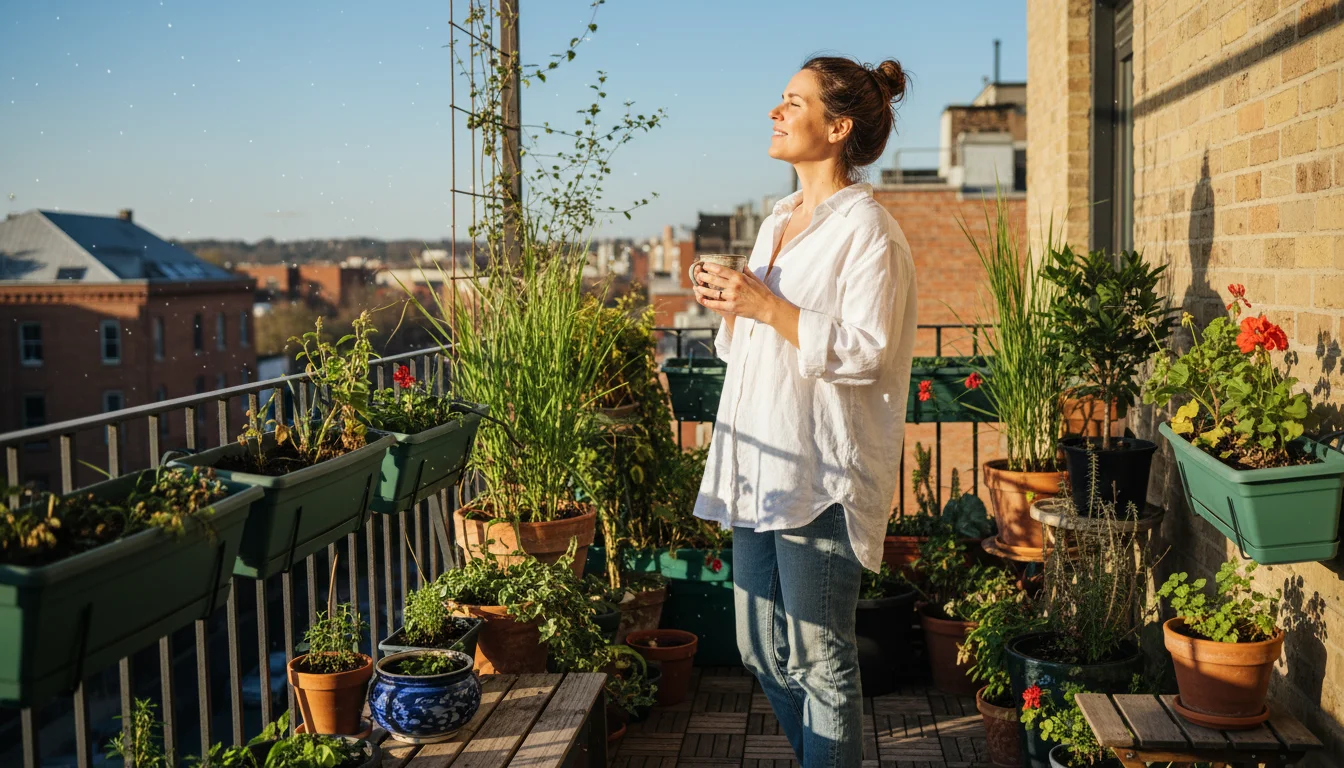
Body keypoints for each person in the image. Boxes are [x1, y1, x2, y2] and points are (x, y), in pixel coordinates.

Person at [691, 55, 917, 767]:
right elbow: (753, 346)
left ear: (838, 126)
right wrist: (735, 303)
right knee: (760, 649)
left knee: (823, 661)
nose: (776, 112)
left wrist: (766, 304)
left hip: (821, 473)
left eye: (794, 102)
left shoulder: (870, 233)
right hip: (759, 462)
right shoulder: (779, 220)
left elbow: (866, 352)